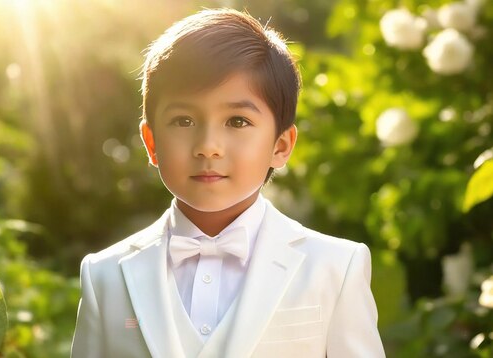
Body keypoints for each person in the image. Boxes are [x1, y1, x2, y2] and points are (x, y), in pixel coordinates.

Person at [71, 8, 385, 358]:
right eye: (184, 120)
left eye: (237, 121)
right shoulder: (104, 276)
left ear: (280, 146)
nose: (208, 146)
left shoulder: (334, 268)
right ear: (152, 142)